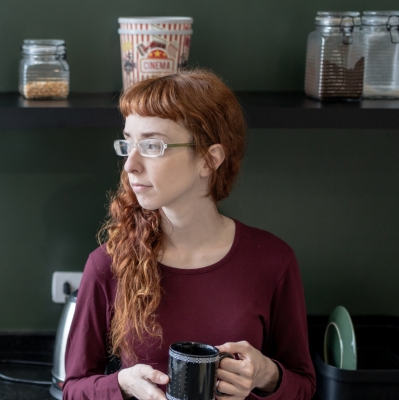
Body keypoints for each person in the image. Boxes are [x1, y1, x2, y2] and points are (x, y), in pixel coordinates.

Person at [62, 70, 316, 400]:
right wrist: (123, 384)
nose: (130, 165)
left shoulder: (273, 261)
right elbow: (73, 389)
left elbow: (304, 387)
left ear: (209, 160)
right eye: (128, 143)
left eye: (152, 145)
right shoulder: (108, 263)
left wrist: (267, 374)